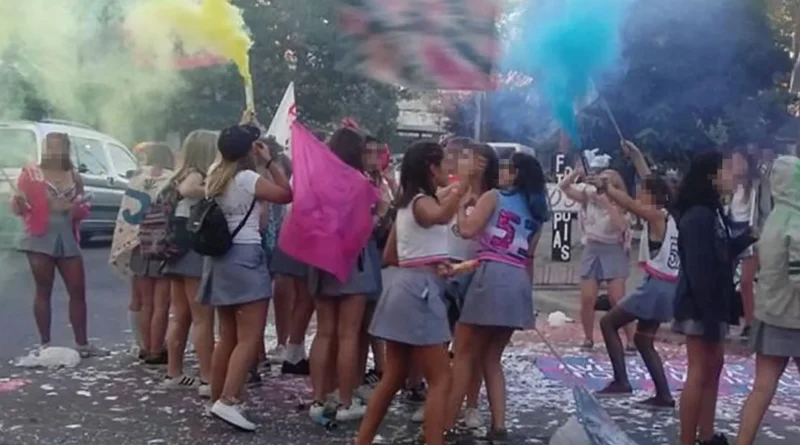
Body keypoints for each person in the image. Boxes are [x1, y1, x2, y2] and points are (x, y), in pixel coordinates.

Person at [356, 139, 468, 445]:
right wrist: (462, 188)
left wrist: (430, 261)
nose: (448, 170)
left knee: (393, 377)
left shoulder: (405, 203)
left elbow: (391, 255)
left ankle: (362, 440)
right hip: (420, 293)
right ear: (431, 168)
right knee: (441, 378)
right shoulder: (421, 202)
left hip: (401, 288)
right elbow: (439, 216)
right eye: (443, 164)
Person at [444, 152, 549, 440]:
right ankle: (499, 426)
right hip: (518, 281)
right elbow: (529, 257)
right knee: (492, 358)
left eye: (506, 168)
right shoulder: (537, 213)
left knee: (464, 354)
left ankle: (446, 422)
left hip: (490, 276)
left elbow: (467, 230)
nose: (500, 172)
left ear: (516, 173)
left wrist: (461, 208)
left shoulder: (494, 197)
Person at [201, 117, 292, 431]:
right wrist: (271, 162)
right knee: (250, 337)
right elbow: (286, 194)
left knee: (226, 336)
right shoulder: (246, 179)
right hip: (246, 255)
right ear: (250, 150)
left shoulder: (215, 174)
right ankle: (228, 401)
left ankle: (218, 396)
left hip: (220, 259)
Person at [672, 151, 754, 445]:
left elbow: (722, 252)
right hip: (700, 305)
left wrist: (748, 237)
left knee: (714, 366)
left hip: (715, 303)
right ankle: (687, 439)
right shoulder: (697, 216)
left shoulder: (714, 212)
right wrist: (708, 315)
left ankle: (706, 435)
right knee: (698, 370)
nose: (732, 176)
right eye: (726, 170)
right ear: (711, 176)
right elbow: (698, 269)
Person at [592, 141, 678, 408]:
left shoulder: (655, 216)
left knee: (608, 323)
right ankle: (663, 395)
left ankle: (621, 381)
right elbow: (649, 180)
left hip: (655, 287)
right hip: (668, 287)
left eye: (643, 192)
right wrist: (637, 155)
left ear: (653, 197)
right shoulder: (671, 214)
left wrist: (607, 189)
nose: (639, 194)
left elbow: (630, 204)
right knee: (643, 339)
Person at [307, 126, 381, 422]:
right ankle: (346, 401)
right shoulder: (360, 183)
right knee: (349, 334)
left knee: (324, 332)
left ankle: (318, 398)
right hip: (353, 263)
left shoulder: (317, 181)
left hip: (321, 260)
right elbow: (367, 225)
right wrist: (379, 212)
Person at [11, 133, 102, 357]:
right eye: (49, 147)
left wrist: (75, 208)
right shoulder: (31, 174)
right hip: (39, 235)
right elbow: (19, 209)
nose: (54, 152)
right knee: (44, 289)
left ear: (66, 149)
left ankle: (82, 344)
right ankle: (45, 344)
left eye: (59, 147)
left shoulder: (74, 176)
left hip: (67, 234)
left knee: (77, 289)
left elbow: (83, 208)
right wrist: (20, 202)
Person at [735, 154, 800, 445]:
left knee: (762, 387)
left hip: (771, 314)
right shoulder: (796, 223)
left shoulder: (773, 220)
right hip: (796, 317)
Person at [438, 140, 498, 429]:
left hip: (476, 271)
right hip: (446, 268)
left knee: (472, 348)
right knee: (439, 343)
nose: (463, 162)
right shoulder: (449, 191)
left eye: (469, 157)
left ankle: (471, 405)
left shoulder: (492, 198)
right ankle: (438, 400)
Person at [162, 130, 218, 393]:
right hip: (194, 254)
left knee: (179, 316)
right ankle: (207, 377)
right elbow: (188, 189)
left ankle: (174, 372)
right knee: (202, 318)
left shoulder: (179, 174)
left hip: (177, 252)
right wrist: (213, 188)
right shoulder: (195, 176)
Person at [109, 142, 174, 358]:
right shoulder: (171, 180)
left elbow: (126, 212)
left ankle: (145, 346)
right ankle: (157, 348)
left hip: (136, 243)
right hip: (160, 244)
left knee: (145, 301)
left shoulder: (136, 179)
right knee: (161, 303)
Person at [559, 161, 633, 351]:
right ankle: (588, 338)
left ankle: (631, 340)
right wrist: (576, 172)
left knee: (617, 299)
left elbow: (620, 226)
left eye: (606, 181)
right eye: (601, 179)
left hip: (613, 249)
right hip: (591, 248)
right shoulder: (588, 197)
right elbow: (564, 187)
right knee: (587, 298)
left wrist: (606, 202)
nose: (601, 183)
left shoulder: (622, 204)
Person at [729, 149, 759, 339]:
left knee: (746, 282)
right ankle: (732, 319)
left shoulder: (753, 189)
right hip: (731, 236)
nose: (736, 165)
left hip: (748, 238)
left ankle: (750, 323)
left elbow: (754, 218)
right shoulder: (729, 188)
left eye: (739, 161)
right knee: (728, 281)